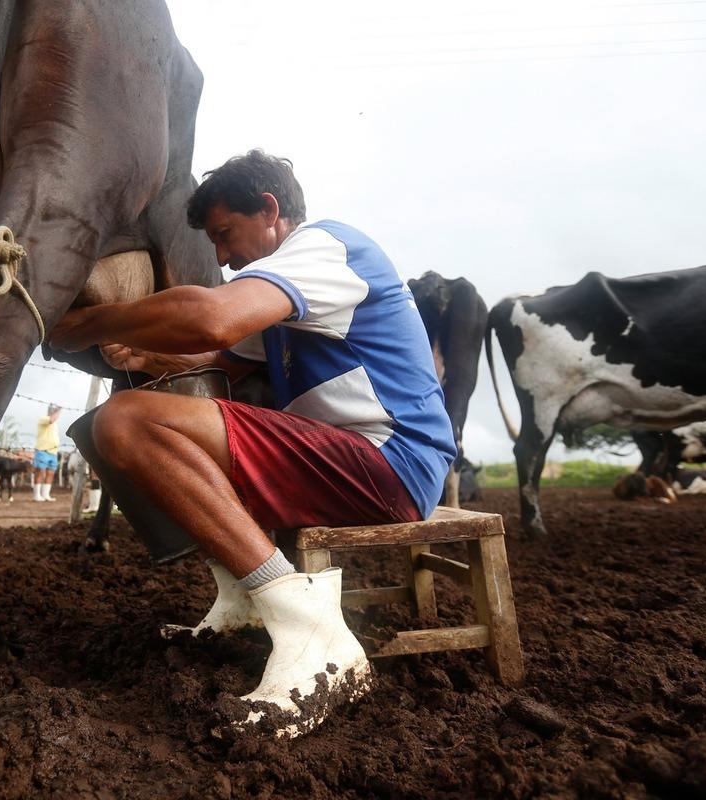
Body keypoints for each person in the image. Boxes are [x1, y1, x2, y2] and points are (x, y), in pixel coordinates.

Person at [50, 149, 456, 737]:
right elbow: (217, 357)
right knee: (142, 436)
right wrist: (144, 353)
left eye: (224, 234)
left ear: (269, 210)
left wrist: (93, 323)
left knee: (125, 422)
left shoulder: (326, 247)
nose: (221, 257)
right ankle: (241, 600)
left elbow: (213, 321)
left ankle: (310, 630)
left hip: (391, 460)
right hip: (343, 457)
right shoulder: (281, 301)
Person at [33, 405, 62, 502]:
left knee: (51, 473)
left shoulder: (55, 425)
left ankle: (46, 494)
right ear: (50, 411)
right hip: (43, 450)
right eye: (54, 410)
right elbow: (51, 420)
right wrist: (60, 410)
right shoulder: (44, 419)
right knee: (40, 472)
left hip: (53, 452)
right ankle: (37, 495)